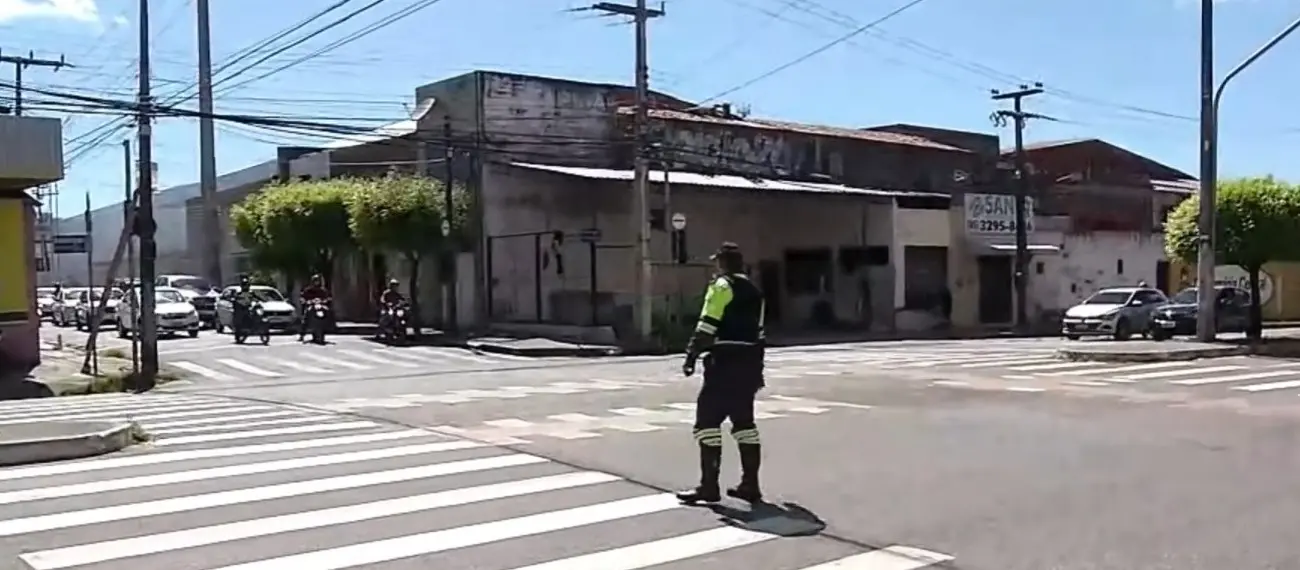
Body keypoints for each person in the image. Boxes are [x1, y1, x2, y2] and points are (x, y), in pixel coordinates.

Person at [676, 242, 767, 504]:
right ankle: (750, 485)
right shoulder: (755, 292)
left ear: (722, 264)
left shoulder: (721, 286)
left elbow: (707, 325)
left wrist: (691, 355)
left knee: (707, 423)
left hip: (724, 363)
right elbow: (760, 334)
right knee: (744, 425)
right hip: (748, 364)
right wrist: (757, 371)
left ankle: (709, 487)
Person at [297, 274, 331, 341]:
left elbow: (328, 297)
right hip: (311, 305)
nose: (317, 282)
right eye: (315, 281)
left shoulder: (323, 290)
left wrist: (326, 300)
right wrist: (305, 301)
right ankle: (302, 334)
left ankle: (330, 325)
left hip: (320, 305)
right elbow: (302, 297)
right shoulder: (308, 290)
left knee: (328, 311)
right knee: (306, 315)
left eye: (318, 281)